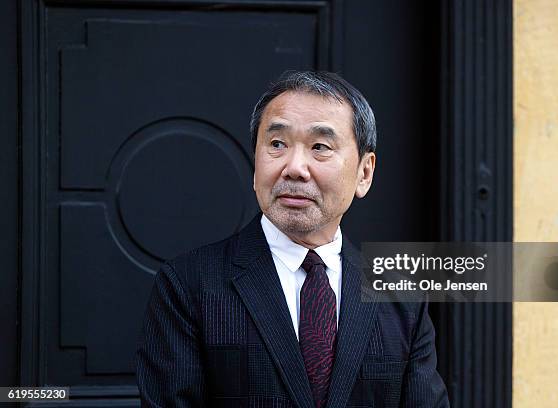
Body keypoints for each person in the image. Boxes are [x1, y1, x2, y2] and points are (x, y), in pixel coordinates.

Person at [135, 71, 449, 407]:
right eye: (277, 144)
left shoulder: (402, 297)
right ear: (256, 164)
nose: (295, 167)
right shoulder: (188, 285)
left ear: (364, 173)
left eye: (320, 147)